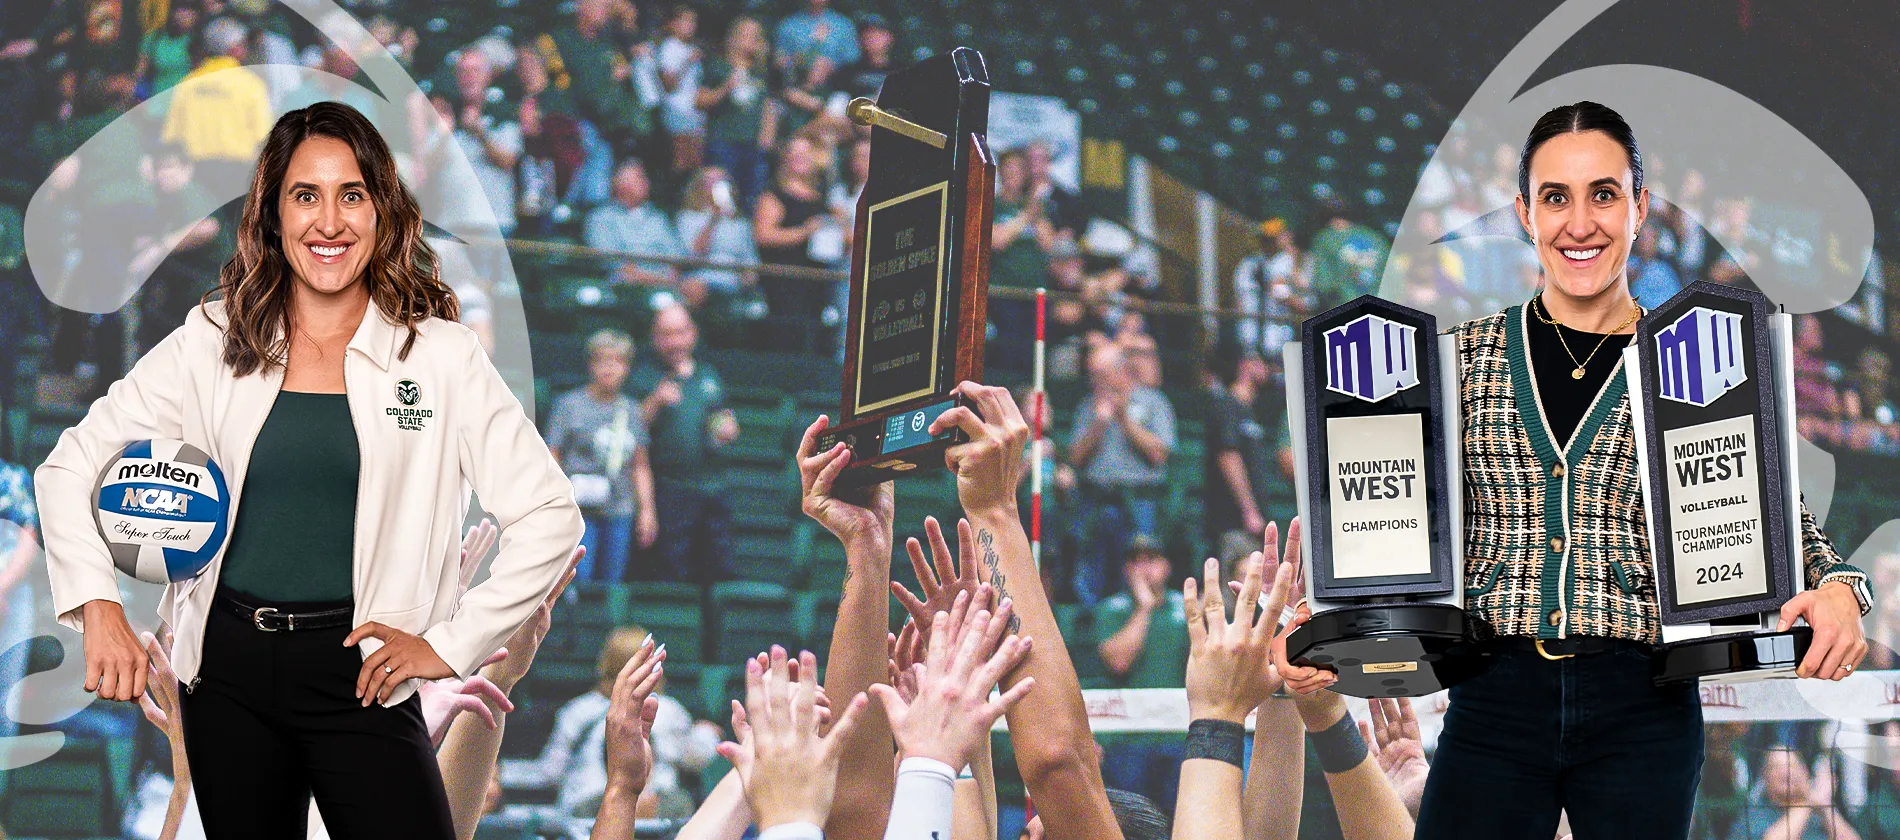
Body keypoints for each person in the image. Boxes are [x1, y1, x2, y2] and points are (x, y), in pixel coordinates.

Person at [1279, 100, 1872, 840]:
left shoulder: (1695, 363)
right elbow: (1382, 529)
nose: (1580, 222)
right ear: (1526, 213)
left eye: (1604, 194)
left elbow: (1792, 537)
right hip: (1492, 698)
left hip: (1644, 707)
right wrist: (1329, 626)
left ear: (1639, 208)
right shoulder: (1455, 362)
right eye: (1556, 197)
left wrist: (1844, 590)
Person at [35, 101, 584, 839]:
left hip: (361, 675)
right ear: (273, 215)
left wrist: (450, 643)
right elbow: (69, 466)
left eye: (351, 195)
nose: (329, 221)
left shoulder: (442, 357)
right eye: (306, 195)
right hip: (225, 670)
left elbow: (553, 516)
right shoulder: (212, 338)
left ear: (382, 211)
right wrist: (96, 606)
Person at [631, 304, 740, 582]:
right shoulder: (643, 376)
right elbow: (626, 430)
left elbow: (720, 416)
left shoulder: (708, 376)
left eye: (680, 333)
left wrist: (726, 427)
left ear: (692, 334)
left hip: (714, 487)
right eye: (666, 334)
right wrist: (655, 401)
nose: (675, 341)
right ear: (655, 338)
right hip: (670, 489)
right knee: (672, 569)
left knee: (718, 568)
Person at [545, 329, 659, 584]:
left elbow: (640, 465)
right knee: (578, 579)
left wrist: (647, 511)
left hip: (619, 509)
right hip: (578, 511)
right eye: (602, 359)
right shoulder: (568, 405)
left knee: (612, 583)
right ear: (590, 364)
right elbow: (552, 456)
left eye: (618, 360)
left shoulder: (631, 410)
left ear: (627, 367)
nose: (609, 367)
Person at [1067, 343, 1176, 606]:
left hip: (1140, 498)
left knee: (1140, 559)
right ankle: (1090, 615)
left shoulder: (1153, 402)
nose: (1095, 382)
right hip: (1095, 497)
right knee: (1086, 555)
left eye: (1101, 375)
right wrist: (1099, 423)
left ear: (1122, 371)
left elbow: (1159, 454)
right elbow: (1075, 457)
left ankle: (1138, 608)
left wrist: (1124, 418)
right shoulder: (1088, 406)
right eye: (1093, 376)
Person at [1092, 535, 1189, 807]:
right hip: (1127, 739)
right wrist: (1144, 607)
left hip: (1177, 734)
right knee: (1133, 824)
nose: (1144, 568)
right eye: (1135, 561)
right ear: (1125, 570)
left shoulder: (1187, 608)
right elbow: (1118, 662)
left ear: (1167, 566)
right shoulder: (1112, 609)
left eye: (1152, 560)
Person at [158, 17, 272, 201]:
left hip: (197, 172)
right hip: (239, 172)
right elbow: (263, 137)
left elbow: (172, 136)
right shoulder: (251, 85)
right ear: (234, 49)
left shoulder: (188, 83)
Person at [697, 15, 778, 209]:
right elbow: (699, 100)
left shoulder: (760, 72)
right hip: (723, 141)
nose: (750, 41)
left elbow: (767, 106)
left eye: (755, 37)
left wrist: (767, 139)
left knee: (752, 197)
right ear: (733, 38)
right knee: (722, 198)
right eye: (745, 35)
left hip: (753, 145)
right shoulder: (718, 67)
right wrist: (725, 88)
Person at [1204, 343, 1275, 553]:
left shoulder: (1249, 410)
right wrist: (1249, 511)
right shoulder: (1226, 405)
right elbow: (1228, 456)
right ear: (1245, 365)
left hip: (1251, 525)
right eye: (1260, 362)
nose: (1266, 368)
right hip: (1233, 524)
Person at [585, 159, 687, 289]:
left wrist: (669, 277)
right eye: (639, 179)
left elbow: (676, 257)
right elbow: (614, 264)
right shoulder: (601, 217)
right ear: (620, 185)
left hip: (665, 284)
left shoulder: (657, 217)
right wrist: (658, 279)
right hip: (624, 287)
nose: (646, 183)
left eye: (644, 178)